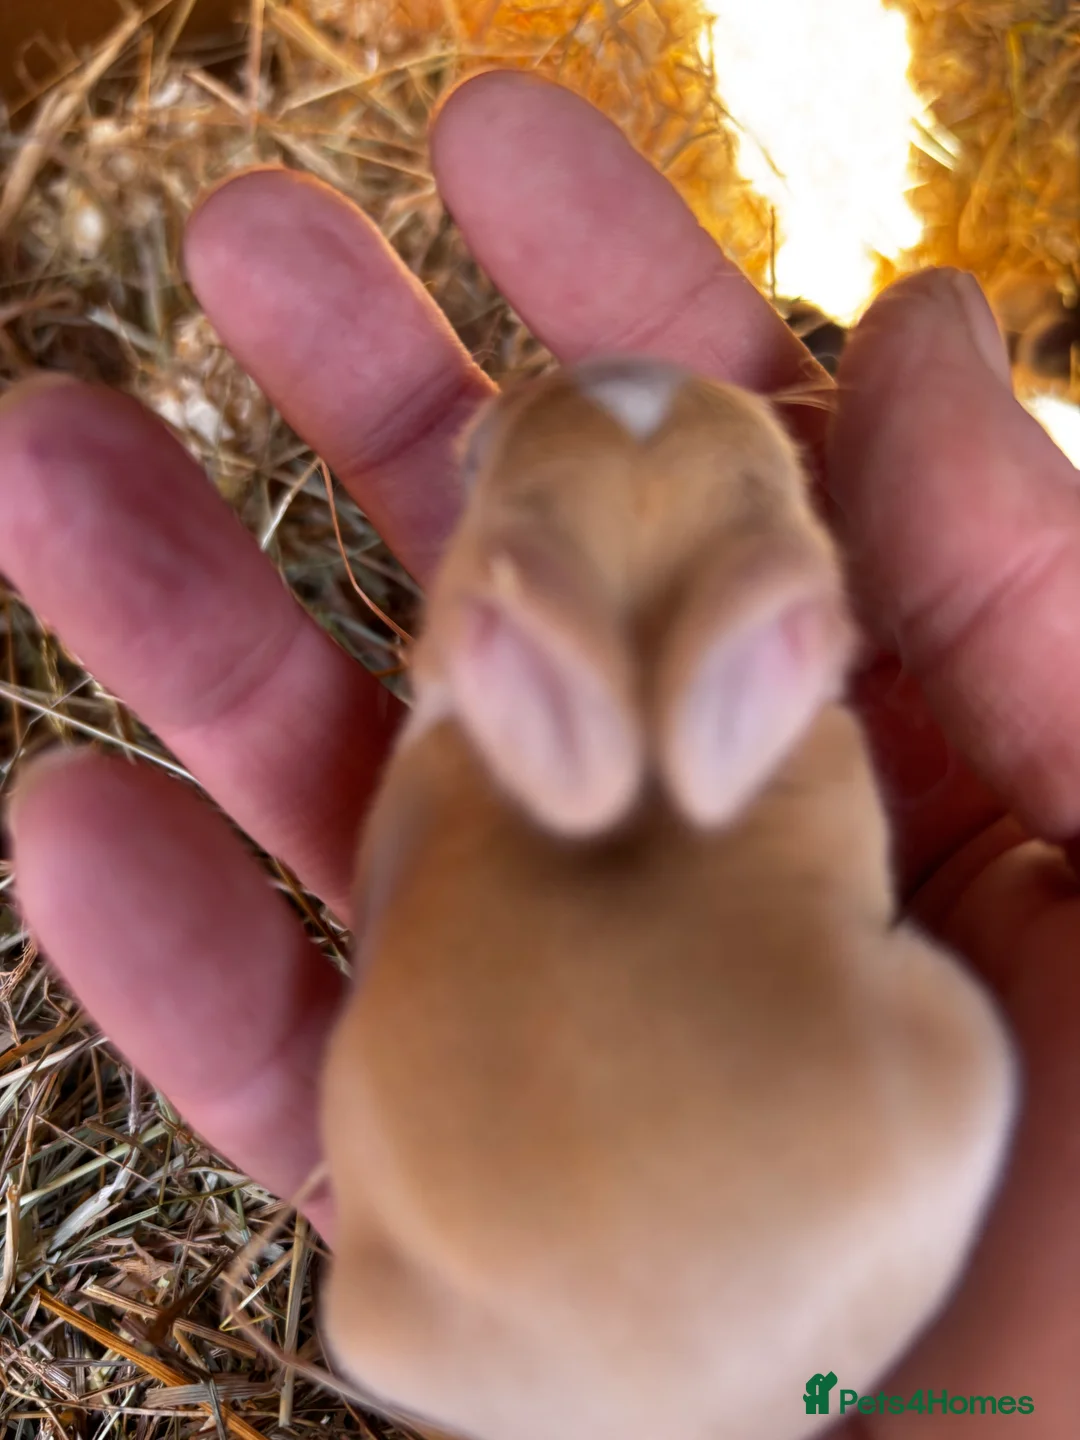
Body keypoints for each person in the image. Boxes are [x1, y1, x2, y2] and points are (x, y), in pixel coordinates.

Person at [2, 71, 1076, 1434]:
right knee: (929, 1060)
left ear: (509, 593)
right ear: (785, 612)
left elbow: (406, 883)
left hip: (494, 1323)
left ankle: (471, 1330)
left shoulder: (480, 748)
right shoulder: (796, 750)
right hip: (875, 1337)